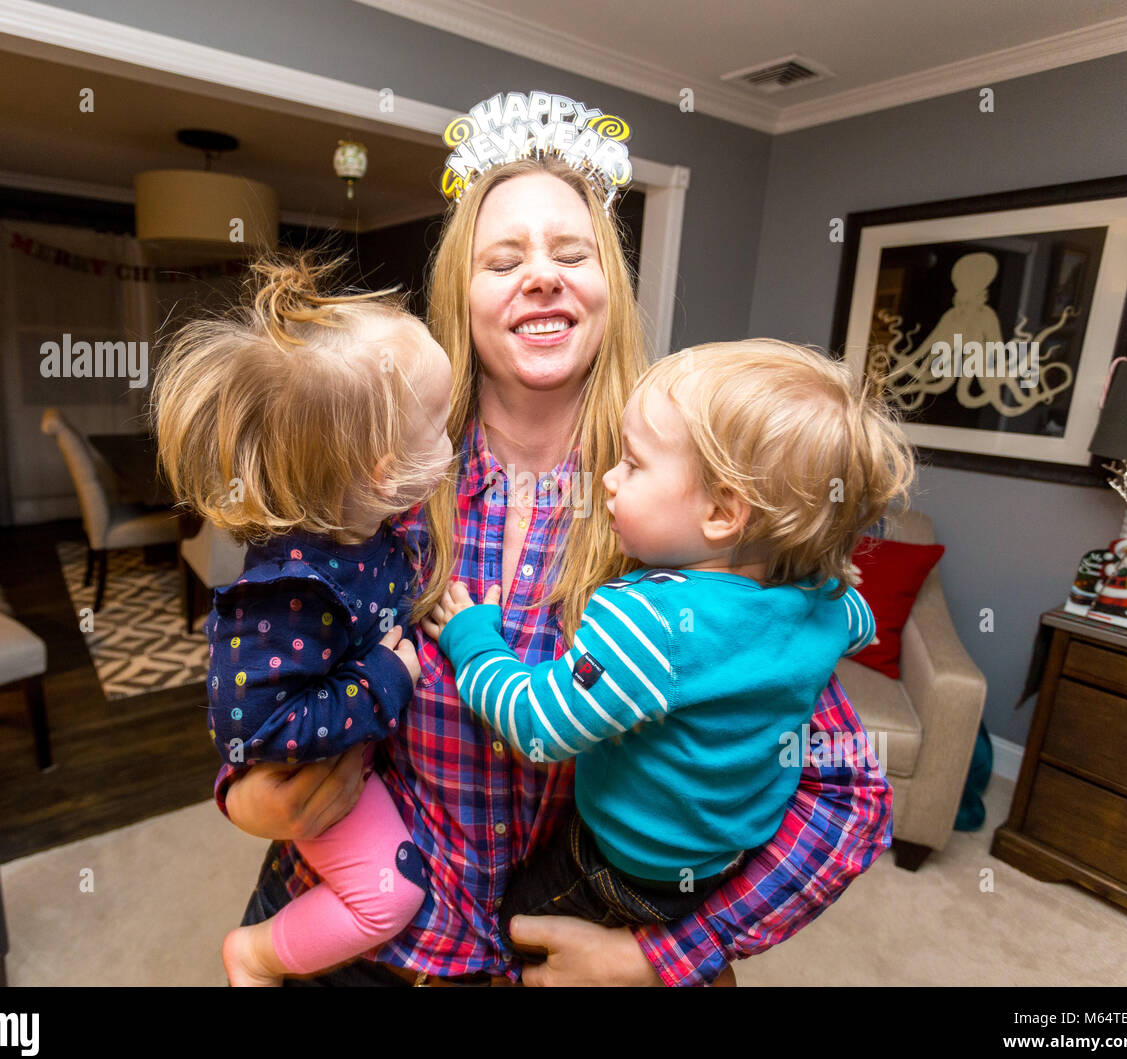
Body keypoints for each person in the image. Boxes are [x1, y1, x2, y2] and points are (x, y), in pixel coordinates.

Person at [217, 130, 893, 987]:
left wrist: (658, 956)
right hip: (362, 931)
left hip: (559, 947)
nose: (542, 273)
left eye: (572, 252)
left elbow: (846, 798)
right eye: (504, 260)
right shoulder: (381, 482)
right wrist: (245, 791)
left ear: (609, 286)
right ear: (459, 295)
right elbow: (272, 659)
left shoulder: (690, 508)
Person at [423, 339, 910, 947]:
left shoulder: (649, 623)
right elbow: (858, 622)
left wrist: (474, 644)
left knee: (506, 934)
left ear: (722, 513)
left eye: (632, 464)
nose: (607, 477)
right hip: (723, 864)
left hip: (619, 868)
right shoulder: (829, 603)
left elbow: (540, 727)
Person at [152, 254, 455, 985]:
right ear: (386, 472)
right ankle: (254, 954)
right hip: (322, 781)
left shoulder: (373, 517)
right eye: (443, 424)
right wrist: (388, 674)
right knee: (391, 893)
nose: (454, 438)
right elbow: (252, 732)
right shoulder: (290, 592)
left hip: (377, 779)